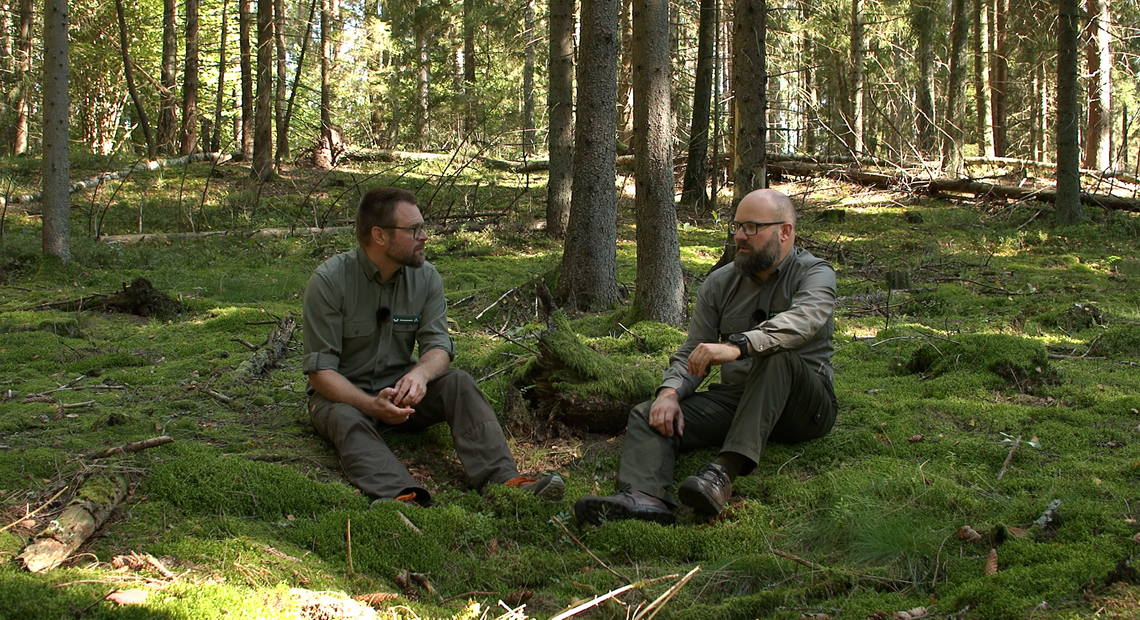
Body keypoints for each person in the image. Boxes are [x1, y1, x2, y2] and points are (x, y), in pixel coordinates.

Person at [574, 188, 837, 525]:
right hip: (739, 402)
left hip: (804, 408)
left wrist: (739, 345)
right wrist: (669, 393)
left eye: (752, 228)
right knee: (649, 413)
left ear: (784, 231)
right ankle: (644, 497)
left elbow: (803, 322)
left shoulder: (816, 274)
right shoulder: (720, 283)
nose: (740, 236)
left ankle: (721, 475)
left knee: (775, 354)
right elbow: (693, 349)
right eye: (737, 227)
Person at [302, 186, 563, 507]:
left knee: (459, 382)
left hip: (400, 392)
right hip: (342, 397)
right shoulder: (330, 281)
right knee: (346, 418)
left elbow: (438, 345)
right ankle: (402, 496)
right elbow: (320, 373)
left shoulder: (425, 278)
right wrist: (370, 405)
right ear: (379, 236)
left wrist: (421, 375)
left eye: (422, 227)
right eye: (413, 230)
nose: (424, 236)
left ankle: (505, 482)